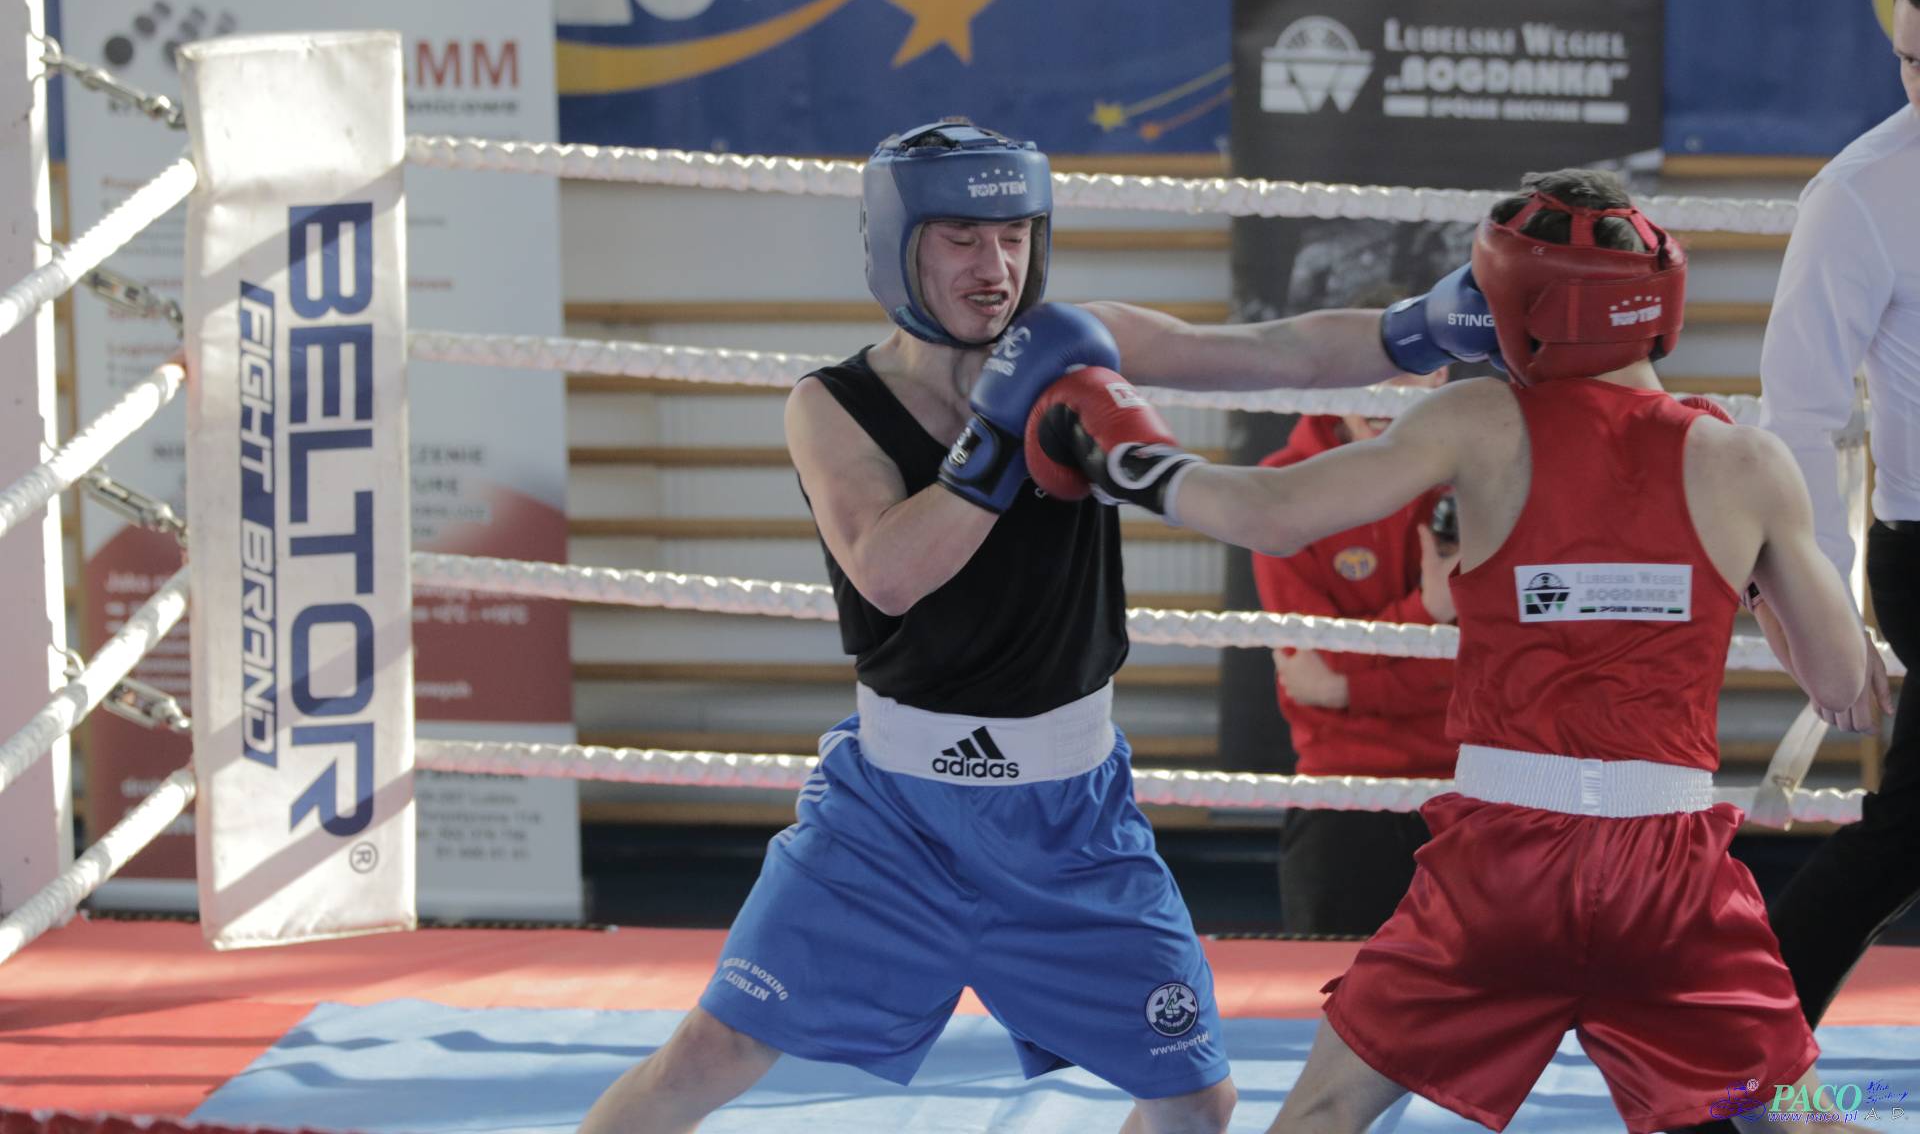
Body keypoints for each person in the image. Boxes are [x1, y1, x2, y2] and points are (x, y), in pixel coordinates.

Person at [575, 117, 1500, 1134]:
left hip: (1072, 820)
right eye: (962, 238)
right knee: (709, 1055)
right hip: (892, 820)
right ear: (897, 246)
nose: (996, 266)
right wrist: (1003, 429)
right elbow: (888, 572)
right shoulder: (833, 404)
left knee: (1195, 1100)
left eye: (1014, 235)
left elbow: (1268, 350)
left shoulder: (1081, 344)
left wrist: (1420, 327)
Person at [1029, 167, 1872, 1133]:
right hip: (1672, 877)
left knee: (1323, 1114)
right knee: (1803, 1118)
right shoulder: (1748, 461)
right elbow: (1844, 683)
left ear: (1517, 310)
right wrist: (1748, 570)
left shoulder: (1480, 421)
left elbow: (1273, 514)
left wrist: (1125, 458)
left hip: (1501, 867)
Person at [1749, 0, 1919, 1033]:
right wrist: (1819, 603)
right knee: (1907, 834)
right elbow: (1798, 413)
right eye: (1910, 60)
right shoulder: (1862, 192)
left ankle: (1727, 1055)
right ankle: (1729, 1054)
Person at [1251, 369, 1458, 937]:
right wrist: (1428, 610)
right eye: (1367, 372)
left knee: (1477, 989)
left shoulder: (1473, 481)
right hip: (1338, 788)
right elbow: (1314, 662)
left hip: (1461, 786)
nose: (1382, 392)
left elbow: (1481, 665)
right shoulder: (1283, 485)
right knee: (1327, 984)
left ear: (1439, 377)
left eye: (1406, 372)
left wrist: (1347, 689)